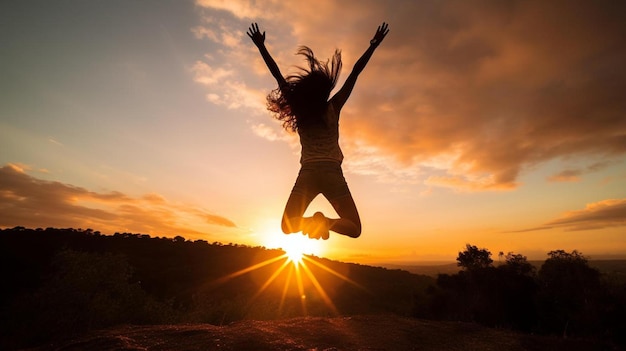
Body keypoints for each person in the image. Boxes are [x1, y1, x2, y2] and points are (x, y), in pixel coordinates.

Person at [247, 22, 389, 240]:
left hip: (309, 173)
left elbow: (277, 75)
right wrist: (373, 45)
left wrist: (261, 47)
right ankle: (326, 222)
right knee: (354, 229)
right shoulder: (333, 106)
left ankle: (316, 221)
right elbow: (355, 74)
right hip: (333, 173)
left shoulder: (300, 109)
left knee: (287, 226)